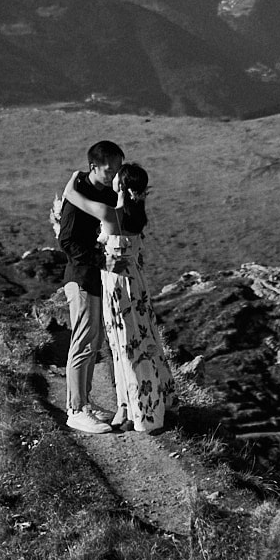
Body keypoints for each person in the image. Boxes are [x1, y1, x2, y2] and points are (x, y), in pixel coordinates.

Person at [97, 162, 174, 432]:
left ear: (122, 185)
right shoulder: (137, 216)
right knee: (141, 341)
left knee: (124, 346)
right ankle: (140, 404)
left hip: (117, 285)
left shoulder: (112, 216)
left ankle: (131, 408)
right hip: (136, 283)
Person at [55, 140, 121, 434]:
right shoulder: (79, 193)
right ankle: (75, 410)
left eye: (118, 168)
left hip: (92, 275)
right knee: (82, 342)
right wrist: (99, 259)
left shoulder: (102, 192)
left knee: (92, 342)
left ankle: (85, 403)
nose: (114, 173)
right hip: (81, 276)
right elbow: (66, 240)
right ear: (94, 166)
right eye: (110, 169)